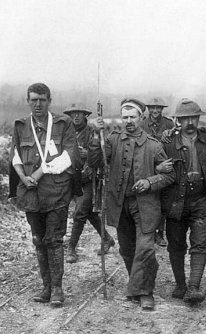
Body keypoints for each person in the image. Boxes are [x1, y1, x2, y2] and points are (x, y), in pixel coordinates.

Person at [88, 98, 174, 311]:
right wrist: (94, 136)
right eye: (124, 117)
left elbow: (169, 175)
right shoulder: (112, 140)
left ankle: (145, 292)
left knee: (144, 249)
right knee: (127, 250)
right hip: (119, 204)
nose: (128, 121)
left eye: (132, 117)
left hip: (145, 206)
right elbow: (95, 162)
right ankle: (138, 285)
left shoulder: (154, 145)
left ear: (141, 118)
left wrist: (149, 182)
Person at [8, 83, 81, 306]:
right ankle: (46, 287)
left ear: (49, 101)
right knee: (38, 240)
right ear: (28, 101)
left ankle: (58, 290)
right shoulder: (21, 125)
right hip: (30, 193)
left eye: (42, 99)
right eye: (33, 100)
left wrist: (38, 174)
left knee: (54, 239)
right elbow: (15, 156)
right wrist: (23, 177)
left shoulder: (62, 123)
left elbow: (69, 156)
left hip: (57, 191)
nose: (37, 104)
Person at [160, 98, 206, 304]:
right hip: (175, 201)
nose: (190, 122)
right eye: (185, 118)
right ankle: (181, 284)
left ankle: (194, 287)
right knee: (176, 245)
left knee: (200, 244)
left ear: (198, 119)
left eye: (193, 117)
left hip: (201, 200)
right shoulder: (167, 142)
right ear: (178, 121)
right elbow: (156, 160)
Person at [63, 104, 115, 264]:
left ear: (85, 116)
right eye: (73, 114)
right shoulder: (67, 132)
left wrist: (90, 152)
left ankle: (71, 248)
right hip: (71, 177)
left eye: (79, 113)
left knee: (79, 213)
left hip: (89, 179)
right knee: (88, 213)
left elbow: (104, 152)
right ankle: (107, 239)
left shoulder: (94, 131)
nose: (76, 117)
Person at [139, 97, 175, 247]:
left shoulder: (168, 124)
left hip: (164, 164)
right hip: (146, 165)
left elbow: (174, 144)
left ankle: (160, 233)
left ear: (162, 109)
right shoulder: (141, 124)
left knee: (163, 202)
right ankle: (149, 232)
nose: (155, 111)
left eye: (158, 108)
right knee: (148, 201)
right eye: (152, 108)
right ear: (148, 109)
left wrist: (172, 132)